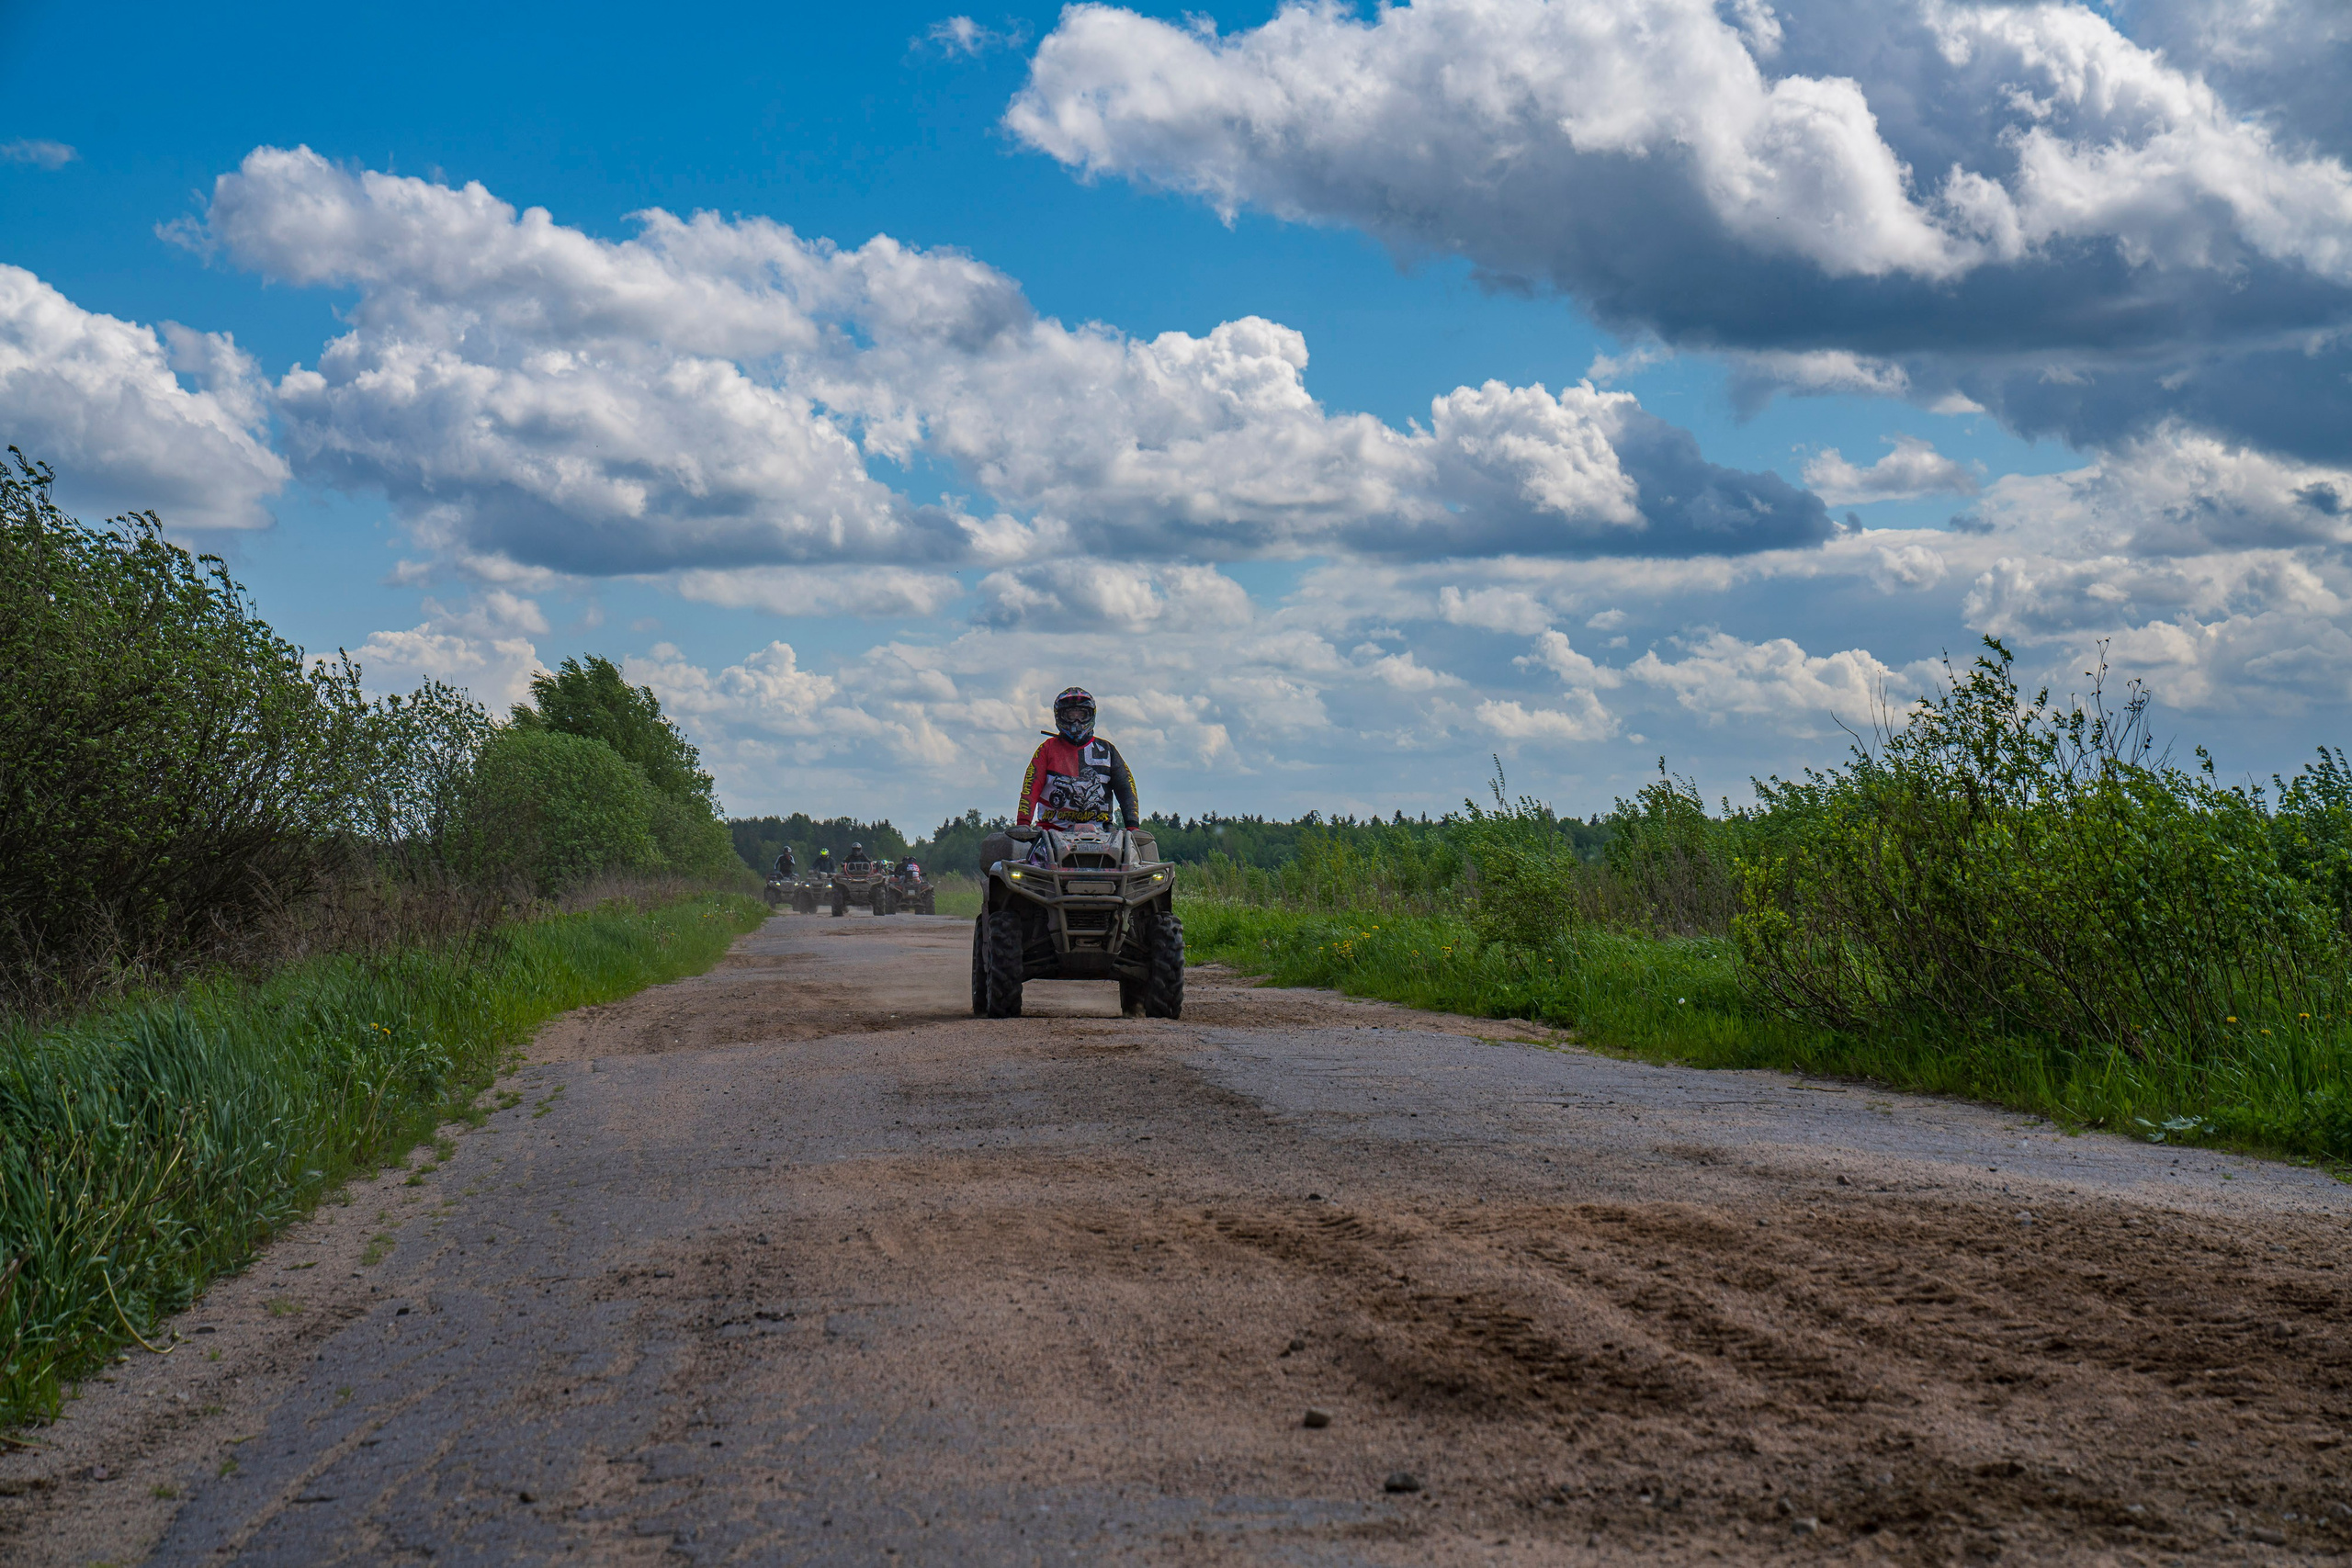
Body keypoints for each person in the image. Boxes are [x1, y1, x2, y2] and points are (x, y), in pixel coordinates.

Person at [1018, 686, 1138, 831]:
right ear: (1060, 716)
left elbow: (1126, 788)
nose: (1076, 722)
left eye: (1081, 715)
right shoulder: (1046, 749)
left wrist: (1133, 826)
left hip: (1101, 833)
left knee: (1138, 851)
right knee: (1026, 852)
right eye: (1070, 715)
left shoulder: (1107, 750)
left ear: (1090, 715)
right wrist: (1023, 824)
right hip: (1051, 832)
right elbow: (1031, 786)